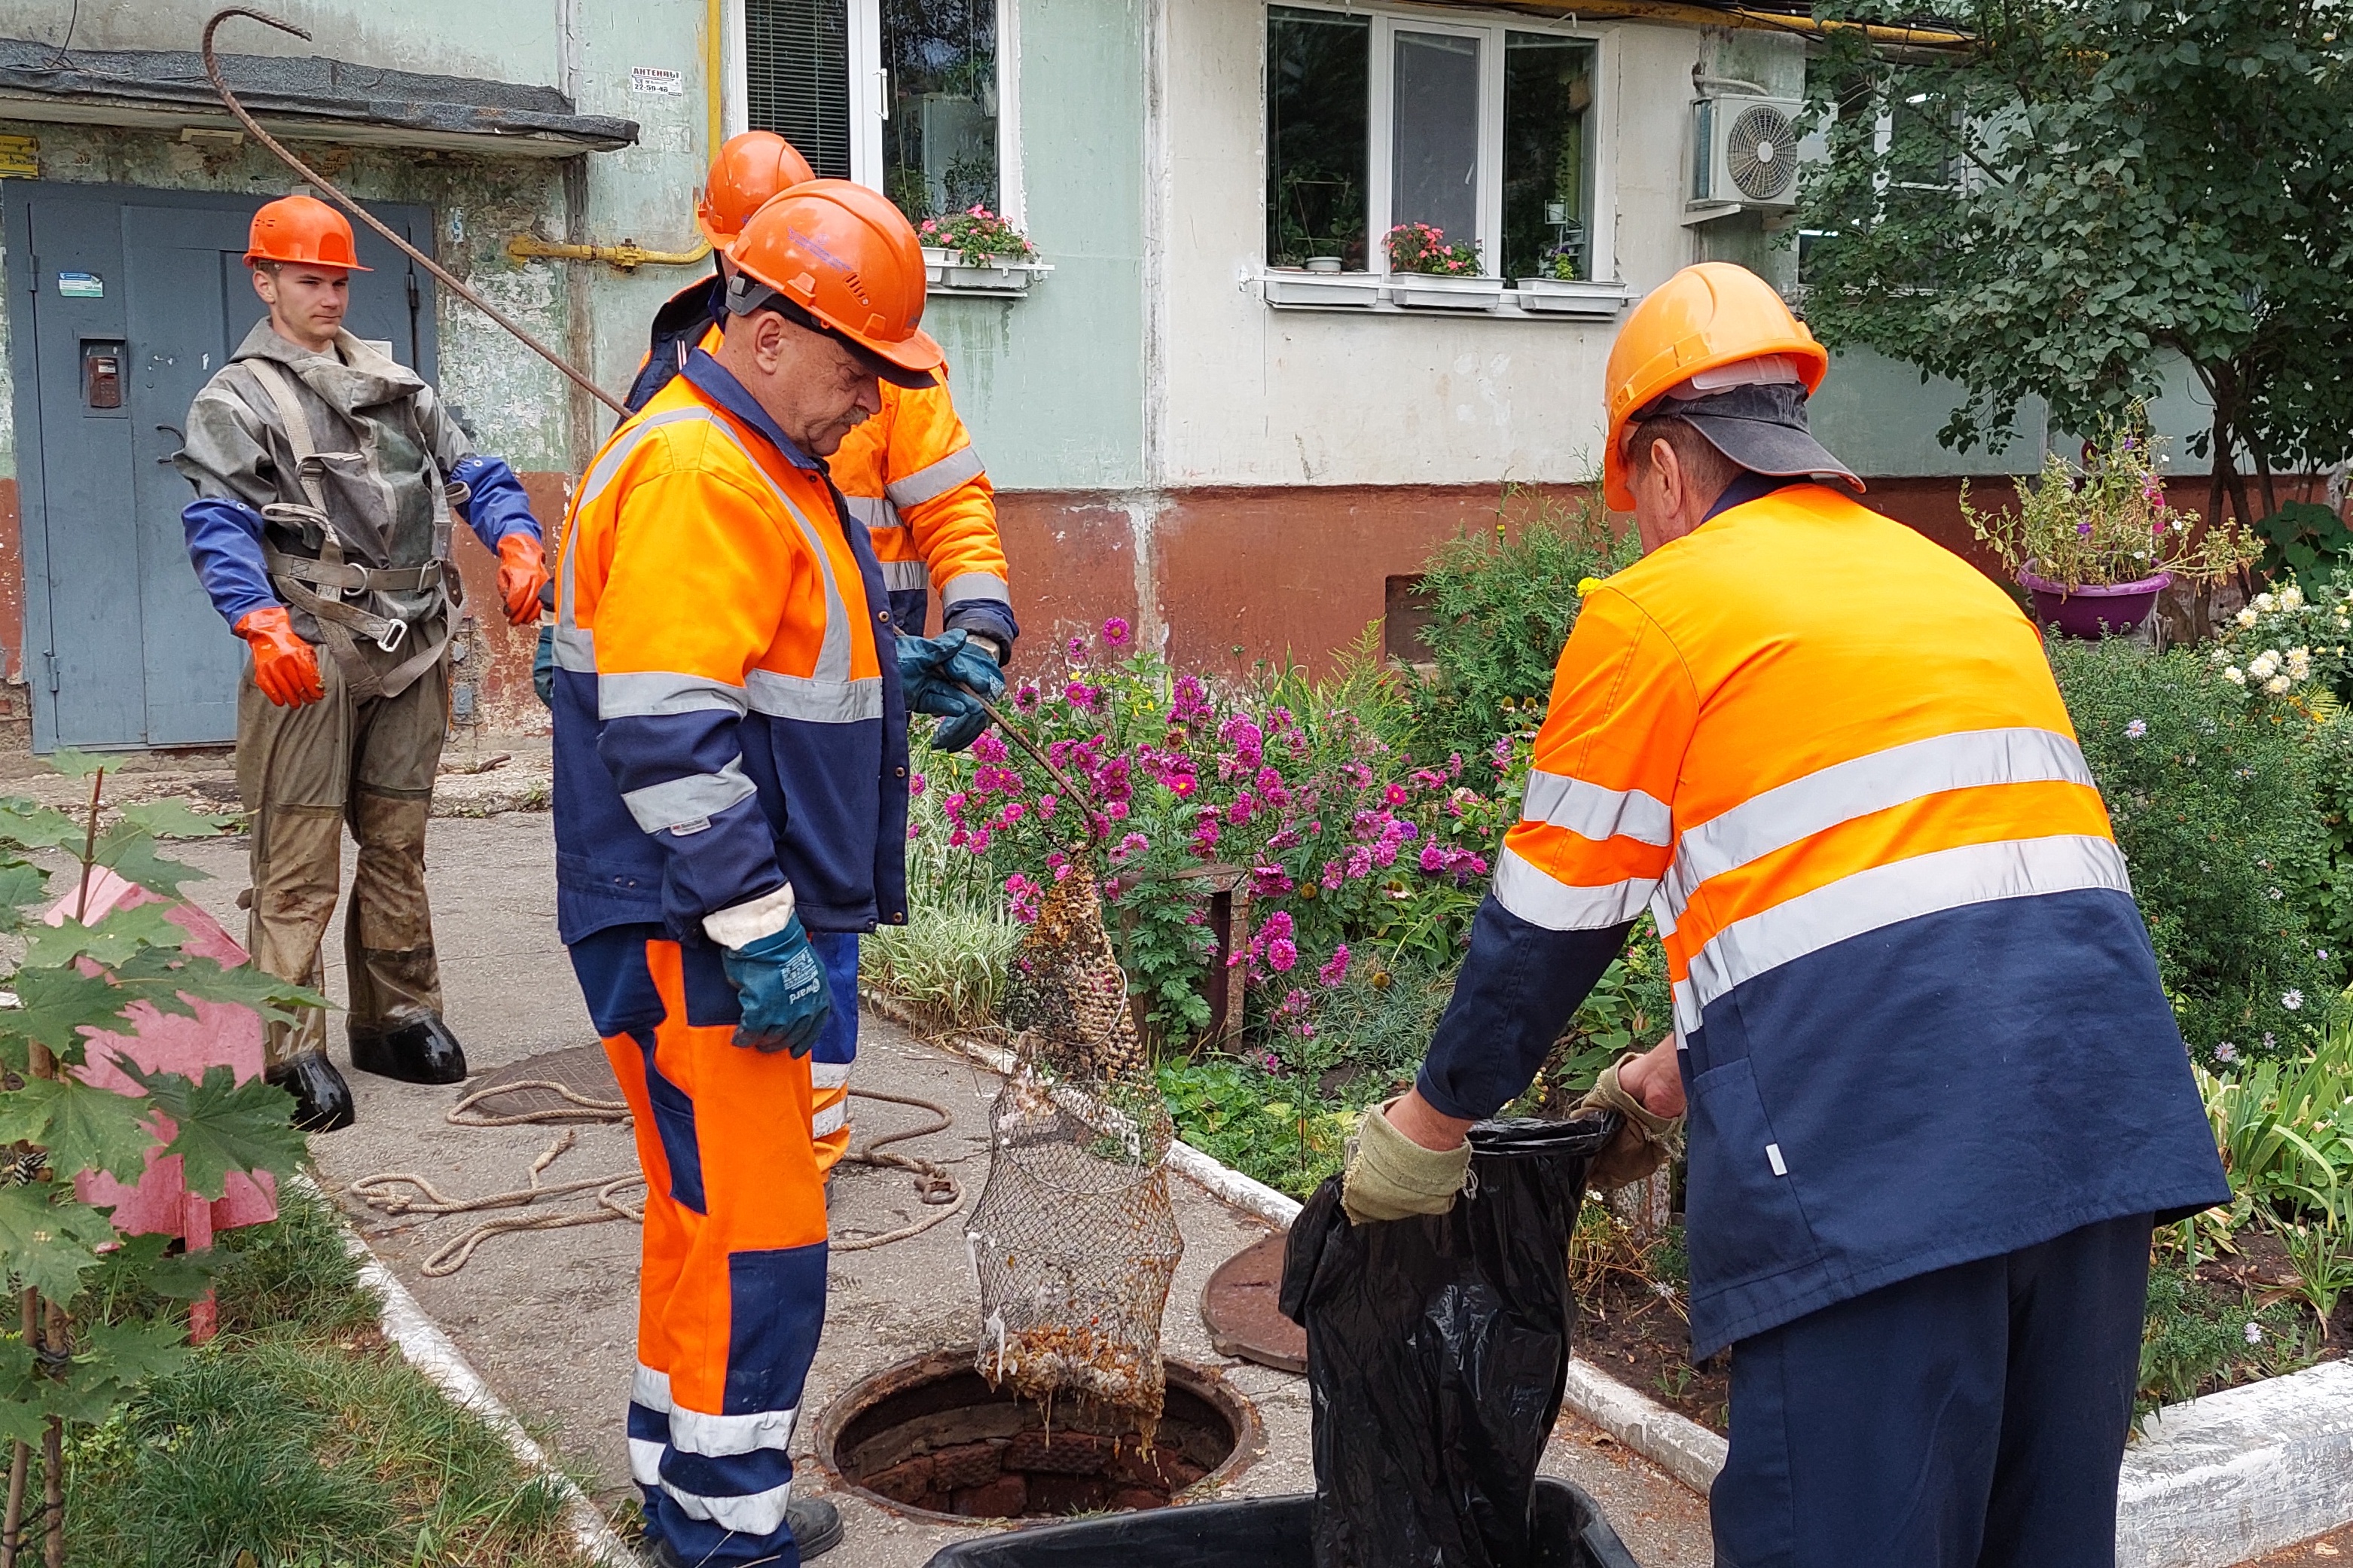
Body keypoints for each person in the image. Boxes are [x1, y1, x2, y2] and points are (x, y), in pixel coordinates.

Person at [1338, 262, 2229, 1566]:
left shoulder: (1661, 611)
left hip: (1878, 1176)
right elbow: (1914, 892)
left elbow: (1545, 920)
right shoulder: (1951, 589)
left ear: (1658, 465)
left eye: (1631, 499)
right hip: (2092, 1131)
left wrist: (1428, 1127)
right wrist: (1672, 1069)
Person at [548, 179, 999, 1568]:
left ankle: (679, 1482)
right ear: (763, 333)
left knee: (697, 1220)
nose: (868, 401)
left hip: (682, 913)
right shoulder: (701, 469)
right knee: (761, 1242)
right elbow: (674, 733)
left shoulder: (753, 458)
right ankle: (732, 1530)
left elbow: (761, 664)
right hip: (698, 923)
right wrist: (758, 929)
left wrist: (896, 660)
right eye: (855, 367)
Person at [587, 127, 1019, 1179]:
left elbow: (951, 503)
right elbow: (669, 701)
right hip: (730, 771)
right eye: (735, 250)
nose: (868, 402)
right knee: (740, 1225)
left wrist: (965, 634)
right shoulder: (696, 414)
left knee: (821, 909)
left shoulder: (853, 349)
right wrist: (747, 915)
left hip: (831, 683)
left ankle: (796, 1137)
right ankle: (780, 1146)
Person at [176, 194, 548, 1132]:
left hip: (415, 641)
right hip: (309, 647)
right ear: (263, 280)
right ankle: (287, 1048)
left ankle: (395, 1014)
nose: (329, 294)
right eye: (309, 278)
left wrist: (515, 540)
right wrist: (257, 621)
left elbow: (477, 472)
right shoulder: (236, 398)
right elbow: (217, 520)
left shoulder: (399, 385)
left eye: (339, 278)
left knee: (396, 843)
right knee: (297, 857)